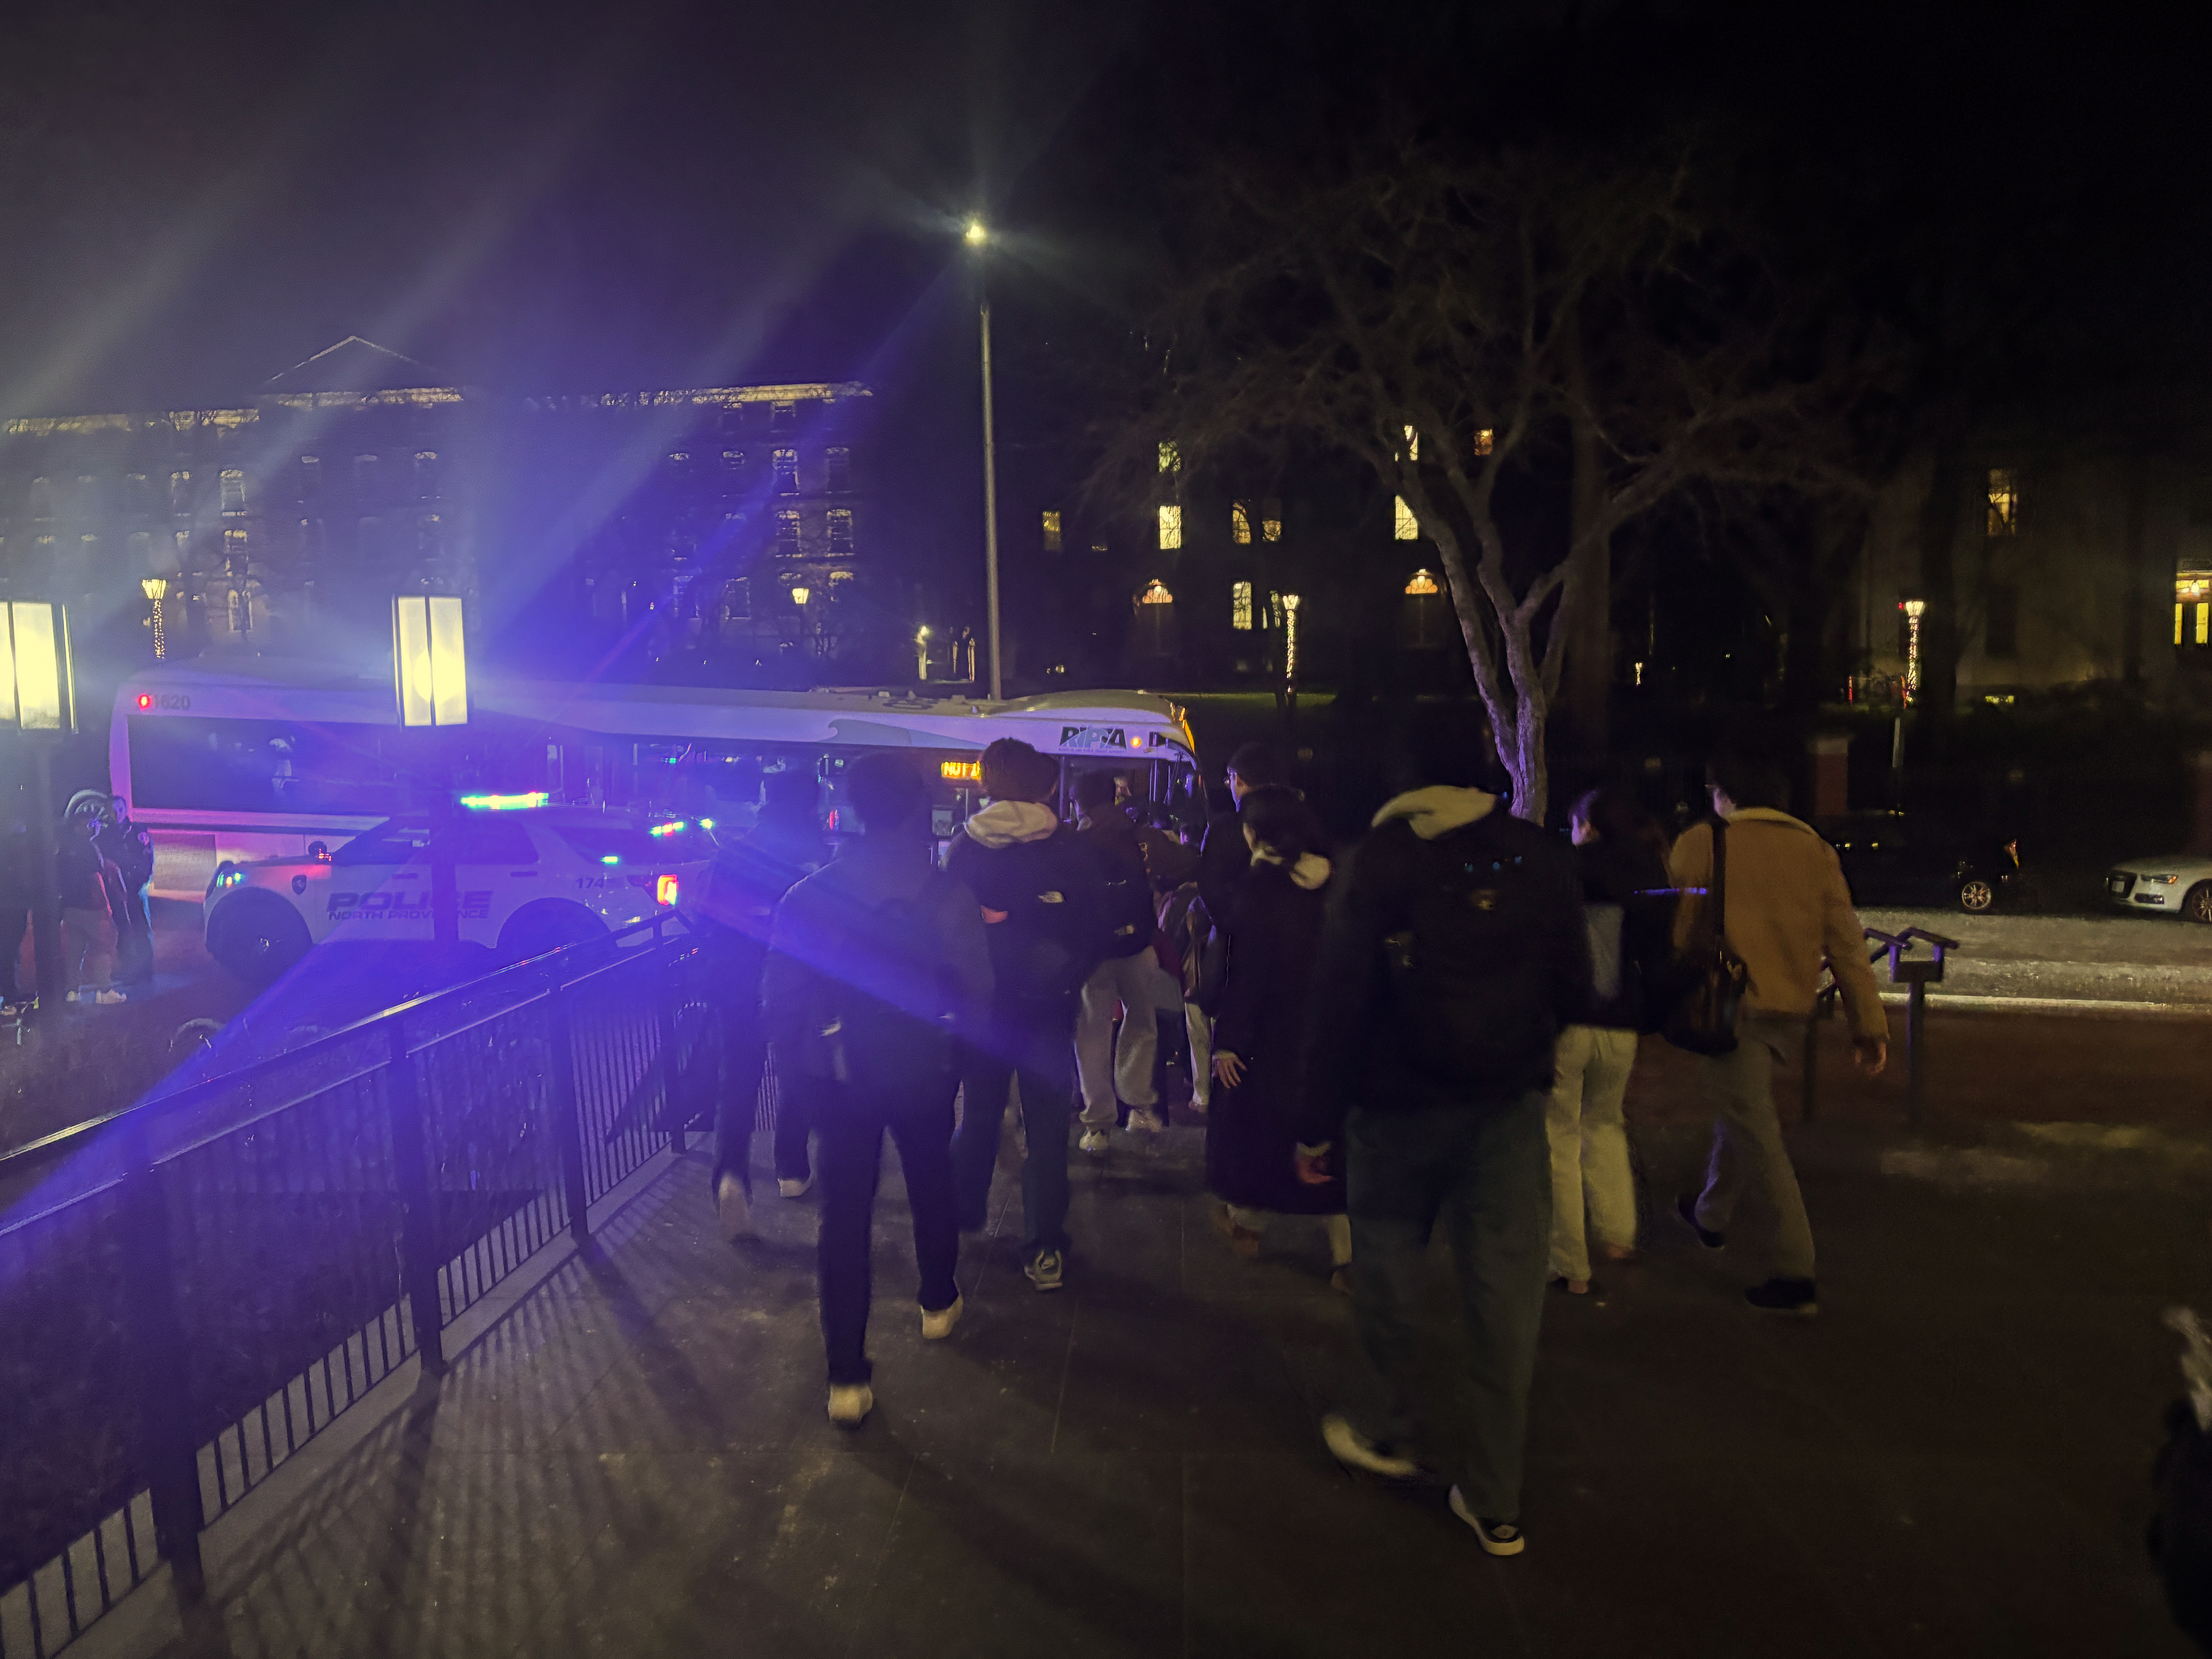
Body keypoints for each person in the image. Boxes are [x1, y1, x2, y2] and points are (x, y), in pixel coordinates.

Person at [1295, 735, 1589, 1558]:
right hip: (1504, 1109)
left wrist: (1315, 1120)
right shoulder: (1539, 856)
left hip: (1393, 1107)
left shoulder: (1380, 860)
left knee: (1387, 1265)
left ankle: (1385, 1427)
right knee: (1507, 1297)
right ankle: (1496, 1498)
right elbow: (1573, 982)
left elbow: (1339, 997)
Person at [760, 754, 993, 1425]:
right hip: (924, 1068)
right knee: (930, 1180)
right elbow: (979, 992)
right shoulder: (946, 895)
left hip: (841, 1077)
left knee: (845, 1214)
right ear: (917, 806)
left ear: (853, 808)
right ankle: (938, 1300)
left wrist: (798, 1070)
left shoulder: (811, 894)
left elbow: (780, 997)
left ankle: (846, 1376)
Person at [1667, 750, 1887, 1317]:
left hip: (1726, 1008)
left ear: (1724, 793)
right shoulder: (1815, 851)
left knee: (1758, 1136)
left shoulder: (1702, 842)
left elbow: (1677, 929)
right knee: (1746, 1112)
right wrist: (1869, 1023)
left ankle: (1796, 1271)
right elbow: (1845, 940)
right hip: (1789, 1008)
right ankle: (1710, 1214)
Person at [946, 738, 1107, 1293]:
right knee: (1045, 1130)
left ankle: (962, 1215)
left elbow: (950, 932)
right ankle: (1044, 1249)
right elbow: (1091, 929)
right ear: (1043, 783)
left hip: (984, 1008)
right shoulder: (1067, 847)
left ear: (987, 780)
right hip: (1047, 1009)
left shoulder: (965, 848)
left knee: (980, 1115)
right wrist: (1064, 981)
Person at [1204, 785, 1349, 1286]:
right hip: (1331, 1028)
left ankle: (1247, 1224)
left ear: (1256, 833)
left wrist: (1230, 1039)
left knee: (1255, 1128)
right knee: (1326, 1137)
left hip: (1271, 1034)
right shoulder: (1337, 882)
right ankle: (1348, 1258)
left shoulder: (1259, 891)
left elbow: (1247, 975)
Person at [1546, 788, 1673, 1297]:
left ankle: (1570, 1263)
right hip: (1623, 1023)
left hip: (1570, 1022)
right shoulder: (1649, 874)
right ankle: (1619, 1237)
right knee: (1605, 1125)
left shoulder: (1566, 872)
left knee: (1558, 1136)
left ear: (1588, 827)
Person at [698, 768, 829, 1241]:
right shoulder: (814, 858)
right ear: (809, 805)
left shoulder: (733, 853)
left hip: (736, 983)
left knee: (737, 1081)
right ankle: (791, 1169)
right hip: (796, 984)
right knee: (797, 1072)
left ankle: (731, 1175)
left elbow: (709, 918)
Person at [1071, 769, 1172, 1154]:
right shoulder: (1137, 833)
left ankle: (1098, 1126)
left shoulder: (1074, 841)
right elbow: (1175, 866)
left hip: (1094, 953)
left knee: (1092, 1035)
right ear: (1113, 797)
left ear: (1078, 802)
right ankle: (1140, 1104)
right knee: (1143, 1024)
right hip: (1140, 945)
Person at [58, 802, 125, 1005]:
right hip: (91, 908)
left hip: (70, 908)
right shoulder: (90, 848)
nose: (96, 826)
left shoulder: (64, 849)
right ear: (85, 825)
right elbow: (96, 877)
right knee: (102, 946)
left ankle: (72, 991)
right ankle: (104, 991)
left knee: (74, 951)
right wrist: (106, 906)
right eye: (93, 823)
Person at [98, 795, 156, 988]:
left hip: (136, 888)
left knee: (141, 928)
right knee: (123, 929)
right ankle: (128, 967)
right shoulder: (105, 836)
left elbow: (147, 859)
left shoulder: (138, 831)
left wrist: (139, 884)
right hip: (117, 890)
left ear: (126, 810)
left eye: (121, 809)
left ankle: (145, 970)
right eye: (113, 810)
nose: (117, 814)